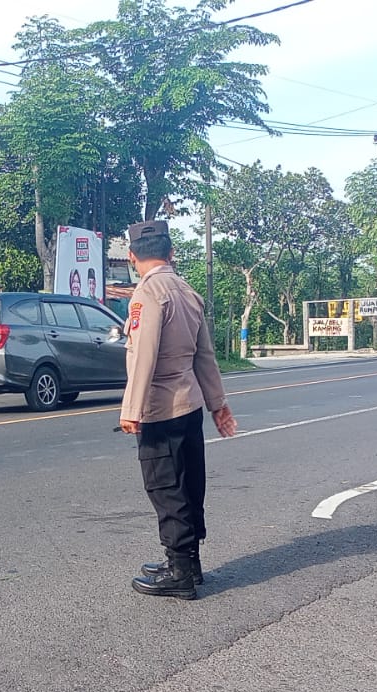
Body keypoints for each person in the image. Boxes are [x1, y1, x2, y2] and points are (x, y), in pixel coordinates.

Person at [119, 220, 236, 601]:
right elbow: (205, 356)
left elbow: (143, 356)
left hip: (161, 408)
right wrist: (218, 405)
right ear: (171, 253)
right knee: (189, 483)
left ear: (133, 256)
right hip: (190, 405)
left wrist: (132, 408)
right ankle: (191, 563)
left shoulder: (148, 295)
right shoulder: (188, 292)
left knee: (165, 487)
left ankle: (179, 572)